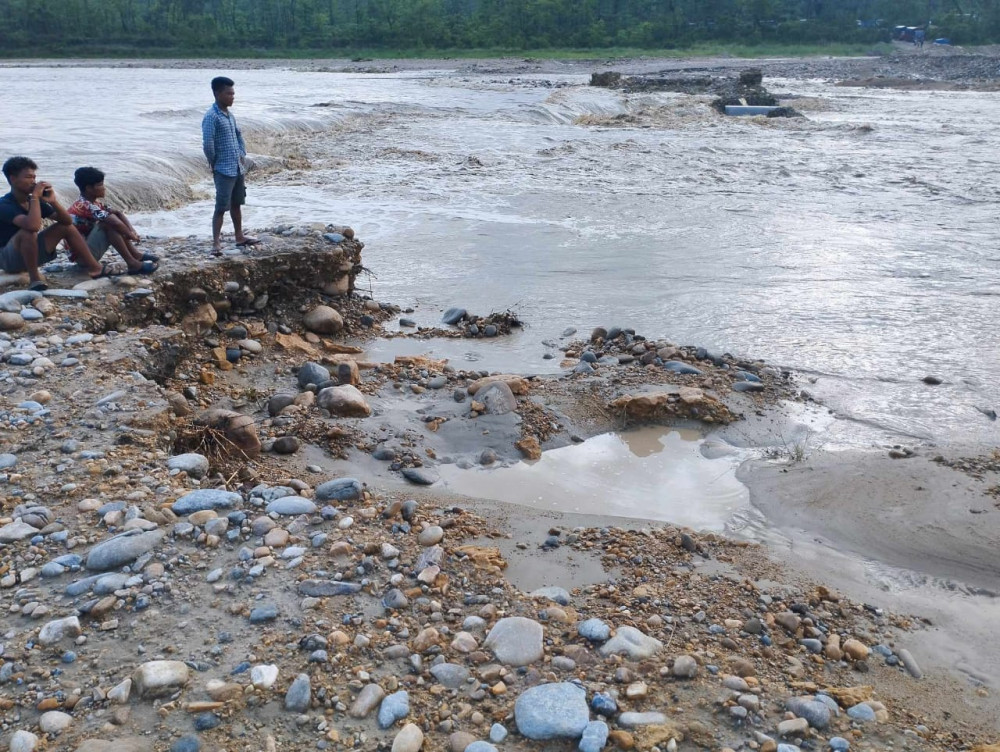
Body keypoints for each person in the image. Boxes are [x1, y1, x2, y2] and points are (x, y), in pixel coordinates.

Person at [0, 156, 119, 291]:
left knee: (65, 227)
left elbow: (68, 221)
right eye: (28, 177)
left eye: (34, 177)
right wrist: (34, 197)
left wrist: (53, 201)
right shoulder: (4, 204)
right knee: (28, 232)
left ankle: (94, 268)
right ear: (13, 179)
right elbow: (33, 226)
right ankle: (34, 280)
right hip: (8, 259)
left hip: (31, 254)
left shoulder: (34, 202)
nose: (33, 181)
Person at [202, 76, 260, 256]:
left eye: (233, 93)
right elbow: (208, 144)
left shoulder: (229, 115)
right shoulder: (211, 117)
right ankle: (216, 243)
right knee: (221, 207)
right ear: (217, 93)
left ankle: (239, 236)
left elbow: (238, 135)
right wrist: (214, 161)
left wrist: (242, 154)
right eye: (228, 93)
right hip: (223, 169)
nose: (232, 97)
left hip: (237, 167)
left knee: (237, 204)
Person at [68, 166, 158, 275]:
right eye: (100, 185)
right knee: (108, 225)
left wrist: (131, 230)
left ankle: (135, 255)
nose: (104, 188)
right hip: (83, 257)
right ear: (89, 188)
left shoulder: (94, 203)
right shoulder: (85, 205)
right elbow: (115, 223)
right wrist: (130, 235)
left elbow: (117, 213)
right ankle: (132, 263)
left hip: (88, 250)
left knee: (112, 220)